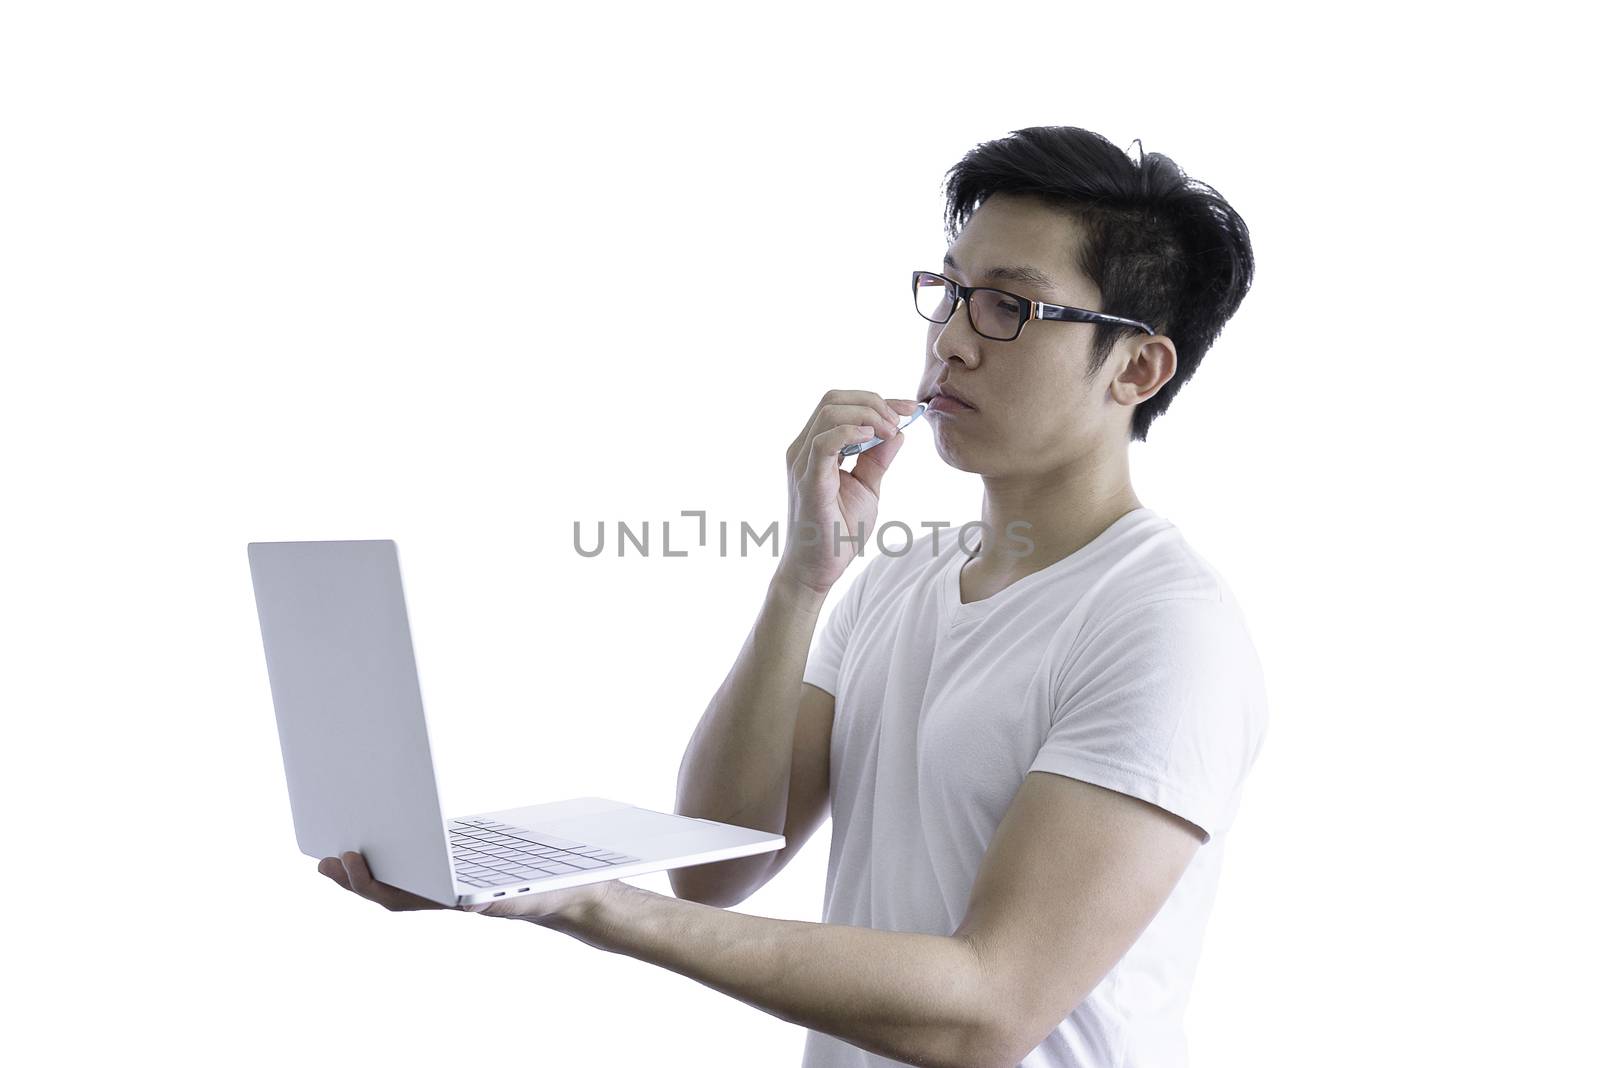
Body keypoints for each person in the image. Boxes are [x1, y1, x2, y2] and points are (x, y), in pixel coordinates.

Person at [319, 125, 1267, 1068]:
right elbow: (715, 865)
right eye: (949, 294)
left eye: (1009, 309)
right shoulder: (900, 577)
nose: (950, 343)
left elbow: (987, 1009)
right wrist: (802, 580)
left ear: (1137, 368)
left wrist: (590, 900)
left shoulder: (1164, 629)